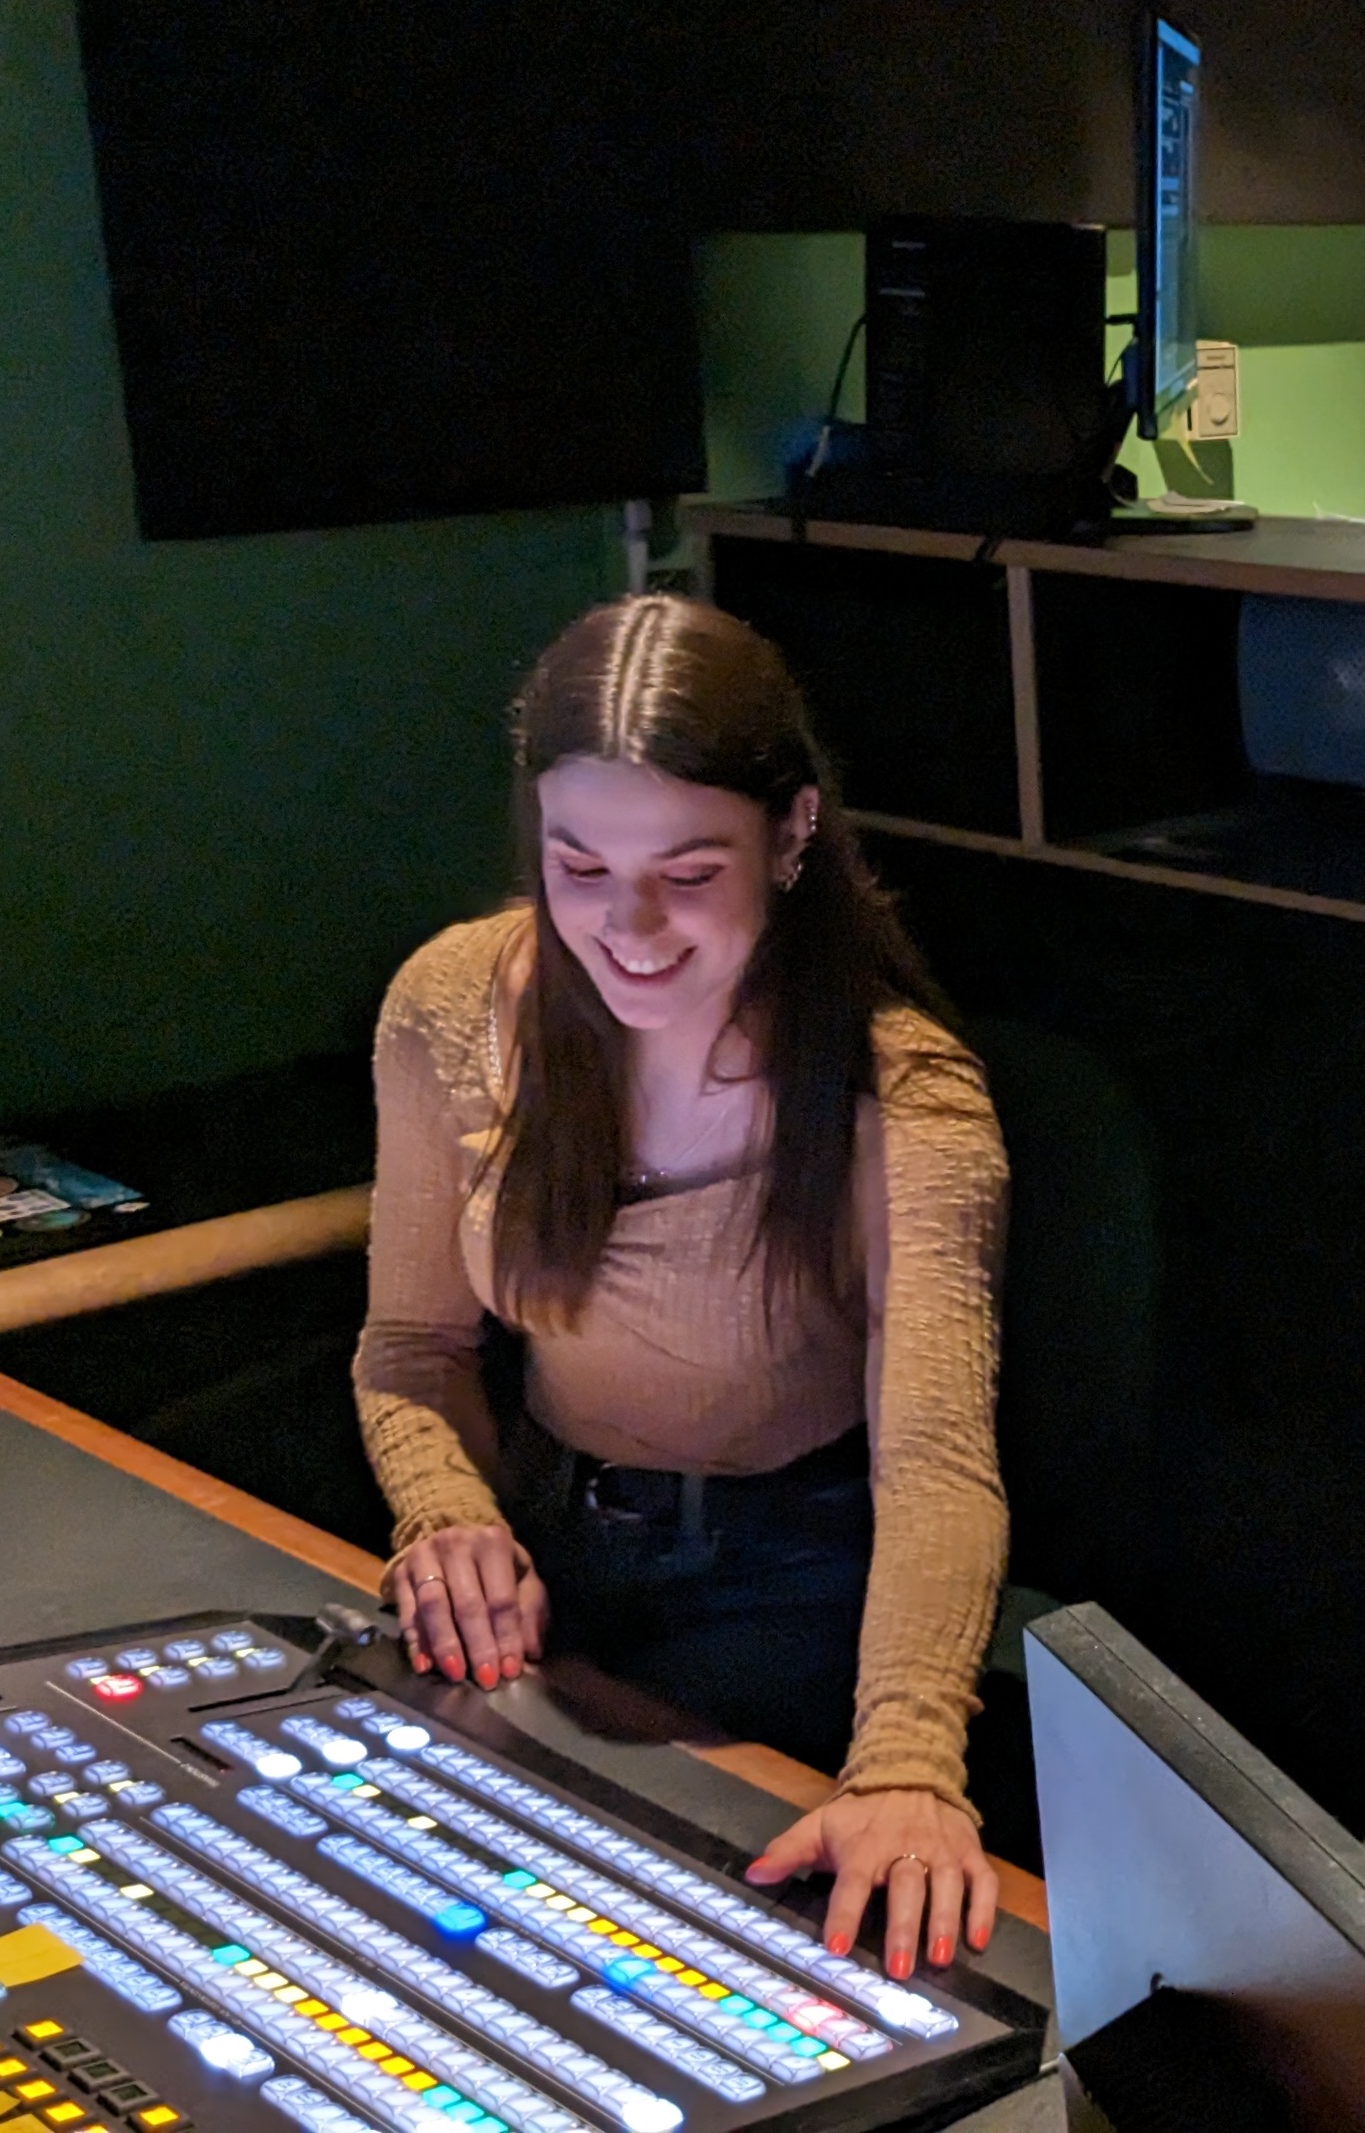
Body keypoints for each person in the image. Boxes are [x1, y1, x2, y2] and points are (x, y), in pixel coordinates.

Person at [351, 593, 1011, 1979]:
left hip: (791, 1587)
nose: (629, 927)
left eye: (688, 871)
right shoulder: (449, 1003)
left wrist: (904, 1760)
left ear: (792, 835)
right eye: (578, 868)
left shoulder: (906, 1101)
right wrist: (447, 1517)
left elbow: (939, 1465)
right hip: (550, 1544)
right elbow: (411, 1349)